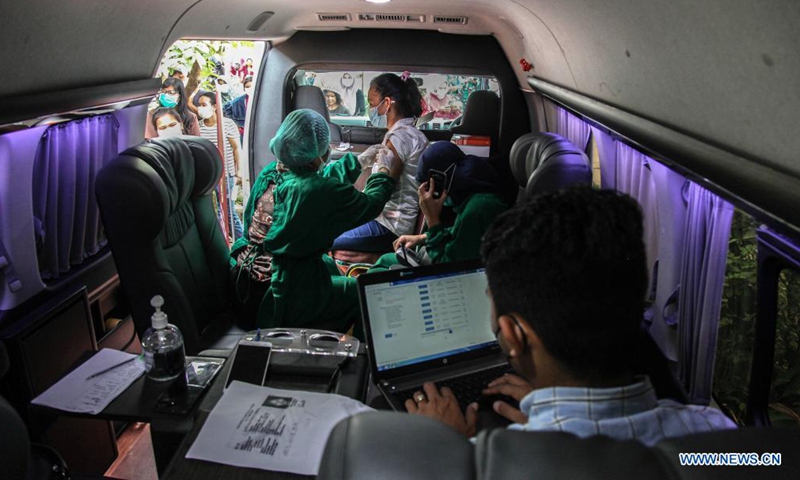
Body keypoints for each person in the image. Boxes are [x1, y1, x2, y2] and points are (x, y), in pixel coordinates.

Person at [406, 186, 736, 445]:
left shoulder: (487, 464)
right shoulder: (717, 435)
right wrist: (551, 419)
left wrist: (453, 446)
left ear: (512, 335)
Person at [230, 109, 403, 332]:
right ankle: (355, 359)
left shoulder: (272, 172)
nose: (327, 150)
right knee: (361, 293)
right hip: (277, 295)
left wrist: (357, 163)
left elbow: (314, 181)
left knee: (329, 264)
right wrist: (383, 173)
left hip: (244, 281)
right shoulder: (314, 190)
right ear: (313, 153)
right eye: (324, 146)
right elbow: (370, 204)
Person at [331, 72, 428, 253]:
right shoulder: (411, 134)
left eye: (372, 103)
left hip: (389, 226)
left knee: (325, 237)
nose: (370, 108)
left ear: (387, 103)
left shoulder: (399, 137)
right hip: (389, 220)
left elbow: (383, 192)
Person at [372, 141, 508, 269]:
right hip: (448, 258)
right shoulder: (474, 199)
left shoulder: (478, 209)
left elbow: (447, 269)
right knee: (386, 260)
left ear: (442, 180)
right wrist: (423, 237)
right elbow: (461, 233)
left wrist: (432, 219)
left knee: (378, 272)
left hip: (450, 275)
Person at [196, 92, 244, 239]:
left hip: (226, 174)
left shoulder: (227, 124)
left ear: (215, 107)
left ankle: (240, 238)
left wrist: (238, 172)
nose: (200, 108)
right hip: (208, 175)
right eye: (199, 105)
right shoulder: (198, 127)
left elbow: (236, 148)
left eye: (204, 105)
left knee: (227, 210)